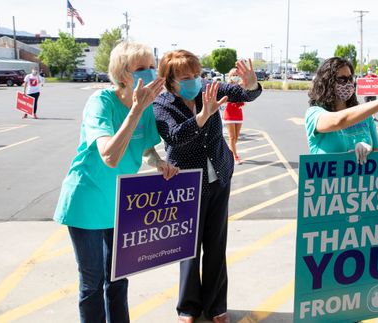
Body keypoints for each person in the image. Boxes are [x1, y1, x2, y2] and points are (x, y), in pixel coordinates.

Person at [53, 42, 179, 323]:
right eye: (140, 68)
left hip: (120, 203)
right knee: (92, 283)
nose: (149, 73)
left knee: (119, 278)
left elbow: (145, 148)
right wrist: (135, 110)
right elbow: (109, 155)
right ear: (123, 75)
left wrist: (159, 162)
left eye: (151, 66)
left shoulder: (145, 107)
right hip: (87, 203)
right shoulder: (101, 103)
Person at [154, 50, 262, 323]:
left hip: (219, 177)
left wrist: (250, 84)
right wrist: (203, 114)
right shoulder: (162, 104)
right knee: (188, 247)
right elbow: (175, 138)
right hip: (186, 183)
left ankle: (216, 305)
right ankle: (188, 306)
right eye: (185, 77)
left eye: (196, 74)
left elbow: (245, 95)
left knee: (216, 244)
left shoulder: (207, 88)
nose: (194, 80)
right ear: (170, 81)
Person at [305, 57, 378, 164]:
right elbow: (339, 121)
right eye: (342, 79)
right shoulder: (314, 113)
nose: (348, 83)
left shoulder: (365, 115)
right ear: (327, 83)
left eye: (350, 79)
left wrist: (369, 152)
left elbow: (377, 157)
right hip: (327, 179)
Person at [222, 68, 246, 164]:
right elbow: (224, 99)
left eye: (237, 75)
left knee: (236, 138)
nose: (235, 76)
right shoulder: (227, 86)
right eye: (233, 75)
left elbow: (245, 96)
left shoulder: (241, 86)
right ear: (230, 76)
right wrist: (231, 100)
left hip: (238, 113)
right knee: (232, 137)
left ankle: (228, 152)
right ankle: (235, 157)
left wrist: (242, 101)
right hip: (229, 114)